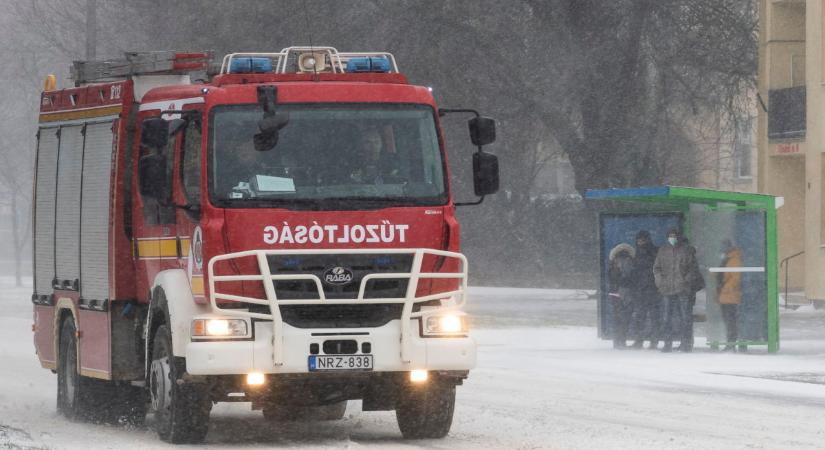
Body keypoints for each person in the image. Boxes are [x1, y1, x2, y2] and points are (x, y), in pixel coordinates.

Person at [653, 228, 699, 352]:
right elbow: (657, 268)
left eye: (674, 235)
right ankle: (667, 343)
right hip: (666, 289)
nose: (672, 238)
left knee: (685, 317)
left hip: (682, 289)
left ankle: (686, 343)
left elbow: (692, 269)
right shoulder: (662, 250)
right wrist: (659, 282)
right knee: (666, 317)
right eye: (670, 236)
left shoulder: (686, 250)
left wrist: (685, 281)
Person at [630, 230, 660, 350]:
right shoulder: (640, 253)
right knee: (643, 317)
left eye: (642, 239)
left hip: (650, 289)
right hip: (644, 289)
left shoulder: (648, 253)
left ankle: (651, 341)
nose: (640, 242)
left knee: (650, 317)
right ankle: (642, 340)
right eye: (639, 240)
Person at [717, 239, 744, 352]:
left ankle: (731, 343)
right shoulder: (727, 259)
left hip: (730, 295)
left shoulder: (734, 259)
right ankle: (730, 342)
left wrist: (725, 288)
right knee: (728, 320)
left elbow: (735, 278)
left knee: (730, 321)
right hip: (725, 295)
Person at [608, 243, 636, 349]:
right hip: (627, 292)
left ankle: (618, 340)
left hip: (615, 292)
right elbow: (632, 277)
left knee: (618, 318)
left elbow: (612, 278)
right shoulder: (631, 262)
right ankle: (621, 340)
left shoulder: (613, 263)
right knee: (625, 318)